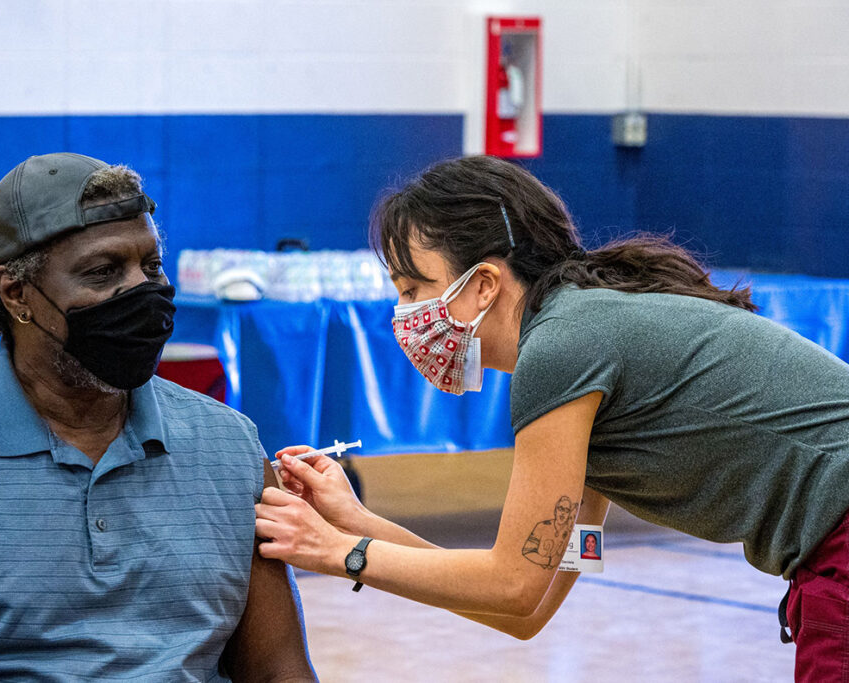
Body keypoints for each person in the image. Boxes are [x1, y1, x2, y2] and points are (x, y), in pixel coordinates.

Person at [253, 155, 849, 681]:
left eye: (414, 289)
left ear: (483, 283)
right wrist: (354, 525)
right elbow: (526, 608)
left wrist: (335, 552)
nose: (404, 314)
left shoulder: (563, 347)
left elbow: (512, 585)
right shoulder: (585, 334)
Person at [0, 152, 316, 682]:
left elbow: (278, 670)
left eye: (151, 266)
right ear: (16, 293)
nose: (141, 291)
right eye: (103, 272)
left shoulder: (228, 444)